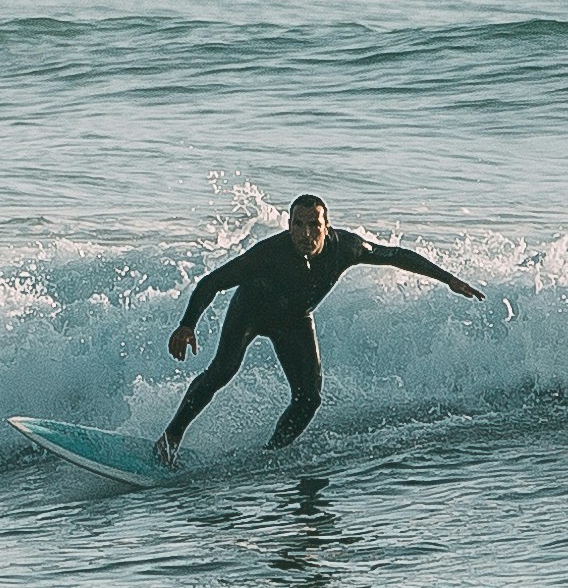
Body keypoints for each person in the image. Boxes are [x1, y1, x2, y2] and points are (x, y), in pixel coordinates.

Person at [162, 194, 483, 457]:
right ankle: (170, 438)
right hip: (251, 311)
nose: (305, 234)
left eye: (313, 225)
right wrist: (187, 324)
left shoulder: (347, 247)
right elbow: (212, 283)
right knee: (222, 371)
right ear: (289, 226)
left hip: (295, 320)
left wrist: (448, 279)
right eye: (297, 225)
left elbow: (395, 255)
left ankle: (271, 454)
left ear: (326, 227)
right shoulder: (268, 254)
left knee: (308, 399)